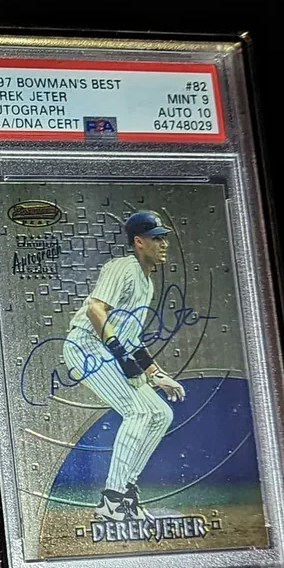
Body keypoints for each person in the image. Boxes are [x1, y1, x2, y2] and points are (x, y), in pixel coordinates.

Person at [61, 210, 187, 522]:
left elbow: (132, 340)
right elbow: (95, 310)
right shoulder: (124, 267)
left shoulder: (147, 284)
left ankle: (126, 494)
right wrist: (122, 358)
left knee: (161, 414)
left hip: (106, 350)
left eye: (164, 237)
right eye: (157, 238)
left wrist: (157, 375)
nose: (164, 244)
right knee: (139, 412)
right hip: (86, 346)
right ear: (139, 242)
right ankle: (112, 501)